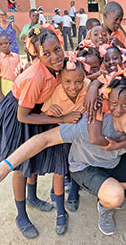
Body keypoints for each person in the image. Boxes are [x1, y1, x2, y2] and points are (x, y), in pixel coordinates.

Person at [0, 96, 126, 240]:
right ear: (120, 110)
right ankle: (105, 203)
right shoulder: (89, 123)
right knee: (115, 196)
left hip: (112, 164)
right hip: (84, 167)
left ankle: (107, 188)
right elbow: (44, 139)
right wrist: (7, 165)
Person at [0, 26, 79, 239]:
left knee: (35, 158)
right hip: (19, 113)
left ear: (62, 46)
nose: (54, 56)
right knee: (20, 166)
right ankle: (20, 215)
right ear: (38, 55)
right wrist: (60, 119)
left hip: (37, 111)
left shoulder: (62, 65)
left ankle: (32, 197)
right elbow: (23, 116)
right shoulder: (35, 77)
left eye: (57, 50)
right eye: (46, 54)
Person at [42, 58, 90, 214]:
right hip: (61, 137)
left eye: (78, 81)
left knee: (76, 164)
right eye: (67, 81)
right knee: (60, 168)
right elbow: (45, 112)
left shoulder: (88, 87)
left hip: (80, 138)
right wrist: (52, 113)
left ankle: (74, 190)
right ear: (60, 80)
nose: (73, 86)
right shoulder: (56, 93)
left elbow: (97, 84)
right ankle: (57, 191)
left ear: (84, 78)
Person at [0, 33, 22, 101]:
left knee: (17, 104)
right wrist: (0, 93)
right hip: (5, 86)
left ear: (10, 43)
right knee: (7, 106)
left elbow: (21, 71)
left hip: (17, 84)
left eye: (6, 43)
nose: (4, 46)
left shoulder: (16, 57)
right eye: (1, 44)